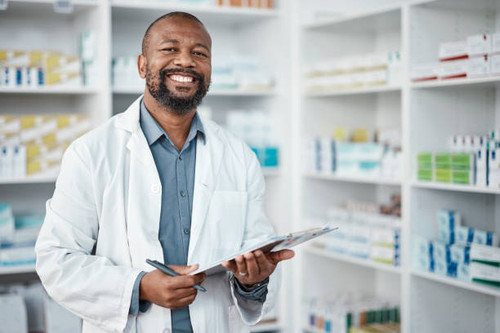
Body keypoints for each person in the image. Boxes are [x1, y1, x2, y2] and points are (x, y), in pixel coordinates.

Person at [35, 11, 294, 333]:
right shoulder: (92, 152)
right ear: (143, 65)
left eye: (199, 53)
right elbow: (56, 260)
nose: (185, 61)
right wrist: (139, 286)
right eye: (170, 49)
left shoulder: (238, 155)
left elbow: (253, 248)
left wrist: (253, 279)